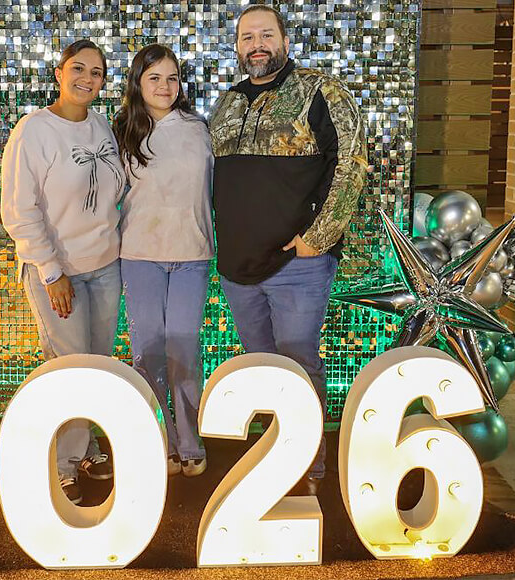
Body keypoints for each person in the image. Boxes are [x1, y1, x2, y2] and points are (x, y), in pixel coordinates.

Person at [209, 4, 367, 495]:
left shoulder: (320, 92)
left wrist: (318, 237)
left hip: (296, 265)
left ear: (283, 40)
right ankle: (274, 459)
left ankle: (309, 466)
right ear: (237, 47)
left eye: (266, 35)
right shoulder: (227, 103)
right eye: (247, 37)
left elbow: (352, 162)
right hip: (237, 266)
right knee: (261, 368)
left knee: (298, 365)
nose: (256, 44)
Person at [0, 40, 124, 505]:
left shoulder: (101, 126)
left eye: (97, 72)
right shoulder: (34, 131)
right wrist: (51, 272)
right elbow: (19, 209)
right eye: (78, 68)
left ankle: (85, 448)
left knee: (97, 364)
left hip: (105, 265)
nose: (87, 79)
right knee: (70, 368)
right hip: (59, 271)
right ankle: (62, 465)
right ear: (59, 72)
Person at [113, 44, 214, 478]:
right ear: (138, 83)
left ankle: (190, 441)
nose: (165, 86)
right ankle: (161, 440)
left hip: (192, 254)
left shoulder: (199, 128)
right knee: (148, 352)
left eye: (172, 78)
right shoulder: (121, 131)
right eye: (154, 78)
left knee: (184, 350)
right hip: (140, 255)